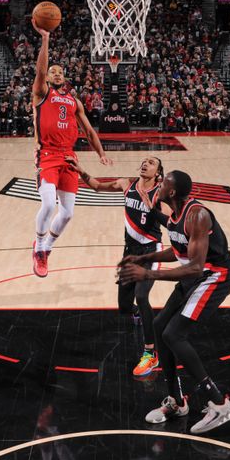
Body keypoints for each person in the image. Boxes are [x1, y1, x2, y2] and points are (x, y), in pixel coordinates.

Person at [119, 170, 230, 435]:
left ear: (171, 192)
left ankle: (220, 403)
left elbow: (195, 267)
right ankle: (176, 401)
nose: (158, 185)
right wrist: (141, 259)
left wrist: (148, 273)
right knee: (162, 326)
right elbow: (177, 251)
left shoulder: (198, 215)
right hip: (195, 275)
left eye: (164, 183)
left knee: (175, 334)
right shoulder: (175, 215)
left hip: (214, 276)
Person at [68, 155, 166, 377]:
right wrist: (80, 171)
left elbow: (170, 219)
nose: (145, 163)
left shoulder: (159, 193)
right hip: (129, 253)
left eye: (151, 162)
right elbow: (97, 186)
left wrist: (154, 208)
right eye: (144, 160)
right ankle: (138, 314)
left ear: (158, 173)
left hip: (151, 250)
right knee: (124, 306)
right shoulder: (126, 184)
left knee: (142, 297)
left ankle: (151, 354)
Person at [30, 19, 111, 278]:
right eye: (53, 71)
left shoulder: (74, 100)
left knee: (67, 214)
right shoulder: (42, 94)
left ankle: (46, 248)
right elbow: (40, 72)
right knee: (48, 205)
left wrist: (101, 152)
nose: (56, 74)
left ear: (64, 78)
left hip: (69, 157)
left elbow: (88, 131)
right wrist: (45, 39)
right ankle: (39, 246)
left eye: (60, 73)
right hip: (47, 156)